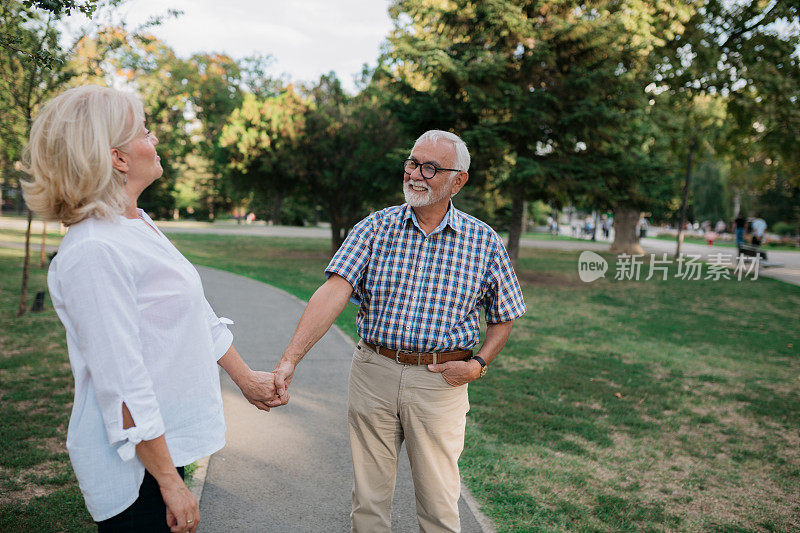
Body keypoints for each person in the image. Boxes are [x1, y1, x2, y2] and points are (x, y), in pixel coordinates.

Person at [21, 85, 282, 532]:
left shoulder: (133, 223)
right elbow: (122, 385)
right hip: (134, 469)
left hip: (162, 449)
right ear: (118, 158)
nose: (155, 139)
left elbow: (195, 311)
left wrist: (246, 379)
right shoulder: (93, 250)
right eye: (144, 131)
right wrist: (170, 483)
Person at [269, 130, 526, 532]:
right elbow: (335, 290)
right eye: (412, 163)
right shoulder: (376, 227)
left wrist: (478, 364)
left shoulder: (483, 241)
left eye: (430, 168)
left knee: (439, 505)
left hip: (440, 382)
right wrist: (289, 361)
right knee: (368, 502)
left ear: (458, 181)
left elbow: (504, 315)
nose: (416, 175)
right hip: (374, 372)